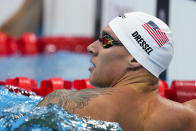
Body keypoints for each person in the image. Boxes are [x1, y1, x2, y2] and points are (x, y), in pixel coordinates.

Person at [37, 12, 196, 130]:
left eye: (105, 41)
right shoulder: (189, 119)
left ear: (134, 59)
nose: (91, 47)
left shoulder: (64, 103)